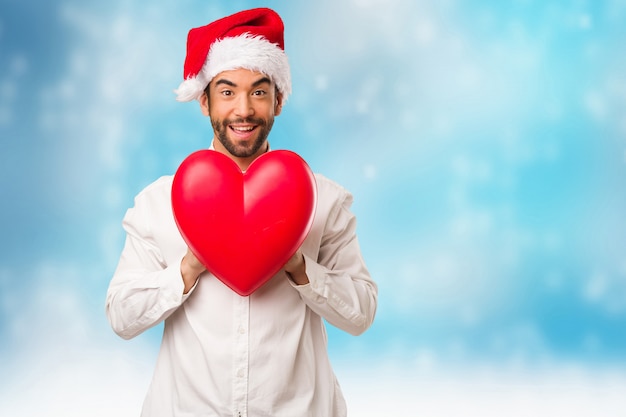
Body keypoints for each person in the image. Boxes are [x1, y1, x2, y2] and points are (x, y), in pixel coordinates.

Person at [106, 7, 377, 417]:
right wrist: (188, 268)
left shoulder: (325, 202)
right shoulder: (158, 203)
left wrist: (299, 266)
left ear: (278, 101)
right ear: (205, 102)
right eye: (228, 91)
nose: (244, 110)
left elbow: (361, 314)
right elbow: (121, 316)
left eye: (259, 92)